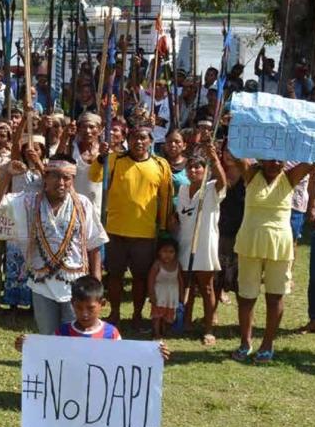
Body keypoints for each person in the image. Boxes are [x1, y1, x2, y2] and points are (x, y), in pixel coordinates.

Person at [14, 276, 160, 427]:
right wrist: (26, 347)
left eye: (90, 308)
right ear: (72, 304)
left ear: (102, 304)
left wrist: (156, 356)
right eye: (79, 307)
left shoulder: (111, 334)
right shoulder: (62, 333)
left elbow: (127, 363)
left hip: (94, 411)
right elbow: (45, 357)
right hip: (65, 408)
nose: (84, 313)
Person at [0, 157, 107, 335]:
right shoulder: (27, 201)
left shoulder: (83, 204)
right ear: (45, 177)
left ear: (72, 180)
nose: (61, 183)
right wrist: (7, 175)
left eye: (67, 178)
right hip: (42, 284)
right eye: (56, 176)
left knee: (76, 337)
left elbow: (94, 244)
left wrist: (96, 284)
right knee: (48, 336)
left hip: (75, 285)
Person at [230, 157, 315, 362]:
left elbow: (312, 159)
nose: (274, 164)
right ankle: (245, 343)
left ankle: (267, 345)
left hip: (280, 245)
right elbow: (235, 151)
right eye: (270, 160)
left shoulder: (290, 177)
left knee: (275, 296)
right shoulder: (251, 174)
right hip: (250, 242)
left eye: (279, 161)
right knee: (246, 296)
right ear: (262, 158)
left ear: (284, 161)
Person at [91, 124, 173, 326]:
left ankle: (137, 315)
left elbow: (166, 198)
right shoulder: (115, 159)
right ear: (128, 140)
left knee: (140, 277)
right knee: (115, 276)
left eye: (143, 138)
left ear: (151, 141)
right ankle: (115, 313)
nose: (139, 142)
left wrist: (163, 226)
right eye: (135, 137)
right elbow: (94, 176)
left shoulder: (161, 165)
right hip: (115, 231)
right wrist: (101, 158)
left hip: (144, 233)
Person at [174, 147, 227, 345]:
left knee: (206, 288)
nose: (193, 171)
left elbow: (223, 182)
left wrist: (214, 158)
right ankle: (186, 322)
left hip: (204, 244)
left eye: (198, 167)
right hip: (185, 243)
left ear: (206, 170)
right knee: (186, 284)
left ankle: (209, 329)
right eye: (190, 167)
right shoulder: (182, 189)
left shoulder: (211, 188)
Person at [148, 237, 183, 341]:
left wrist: (181, 294)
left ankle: (163, 330)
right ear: (159, 252)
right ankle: (156, 332)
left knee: (168, 314)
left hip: (172, 294)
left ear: (176, 253)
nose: (168, 254)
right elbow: (151, 280)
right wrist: (152, 294)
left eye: (171, 252)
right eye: (164, 251)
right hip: (159, 293)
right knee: (157, 314)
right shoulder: (157, 264)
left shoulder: (177, 264)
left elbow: (180, 280)